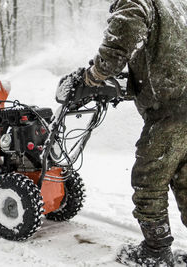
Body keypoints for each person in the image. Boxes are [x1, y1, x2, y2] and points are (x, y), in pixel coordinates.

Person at [75, 0, 187, 266]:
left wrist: (92, 76)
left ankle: (156, 252)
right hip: (183, 107)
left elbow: (119, 43)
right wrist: (127, 88)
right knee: (186, 181)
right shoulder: (177, 7)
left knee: (148, 181)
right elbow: (165, 61)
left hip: (168, 112)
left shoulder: (136, 1)